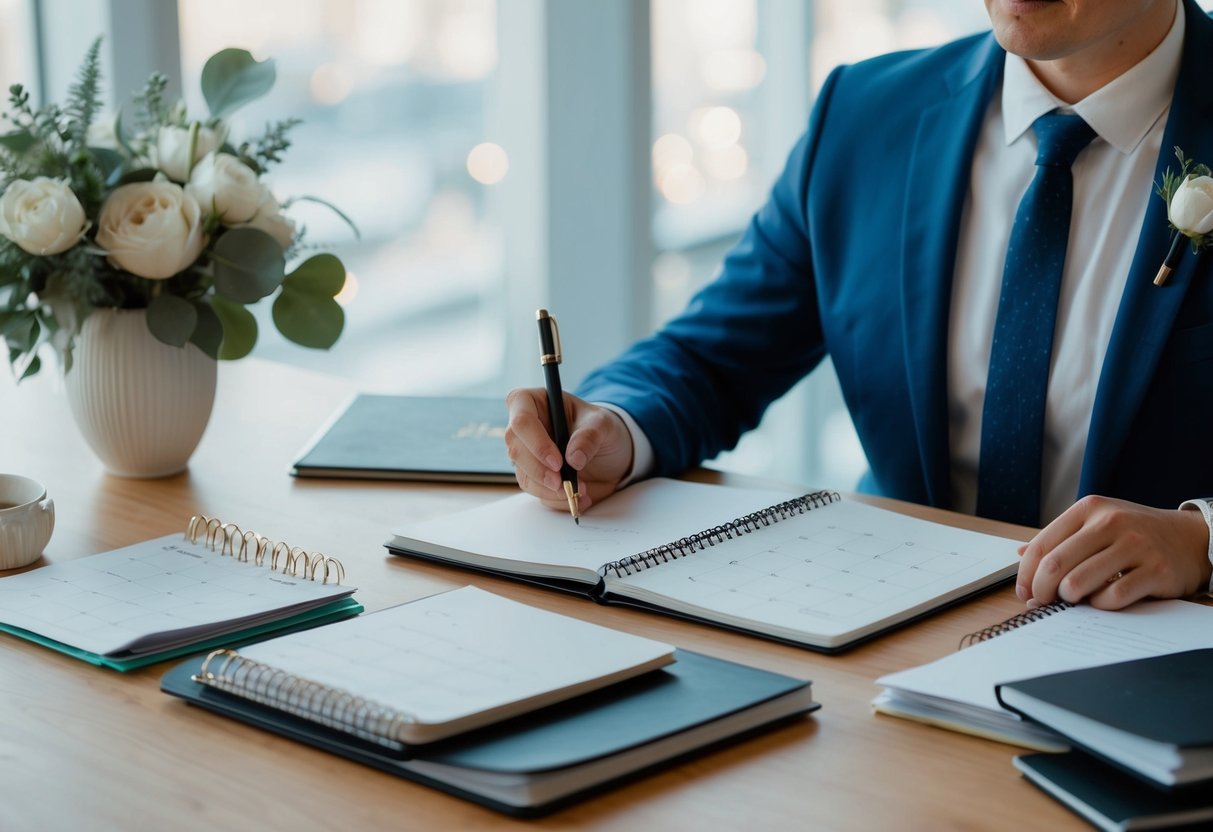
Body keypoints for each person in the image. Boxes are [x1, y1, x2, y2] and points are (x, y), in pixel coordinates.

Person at [505, 0, 1213, 613]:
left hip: (1158, 669)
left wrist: (1200, 540)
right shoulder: (865, 116)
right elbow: (712, 357)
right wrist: (611, 427)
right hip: (888, 636)